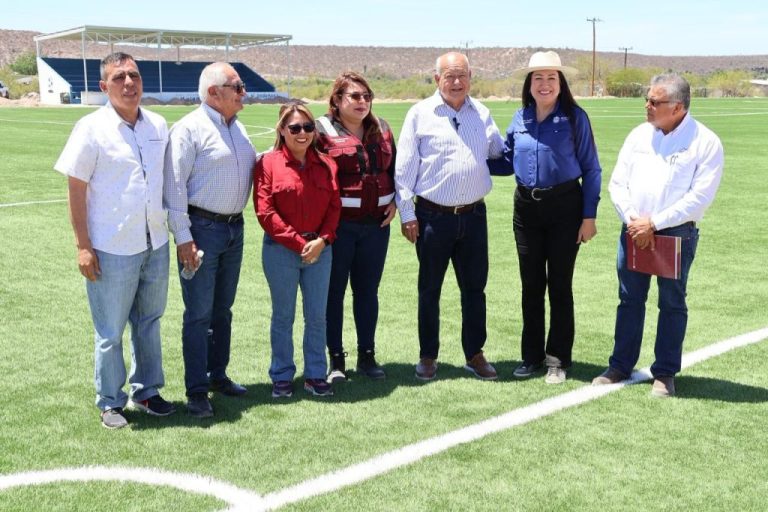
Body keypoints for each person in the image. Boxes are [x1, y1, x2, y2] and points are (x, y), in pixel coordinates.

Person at [54, 52, 175, 429]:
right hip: (112, 246)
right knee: (110, 330)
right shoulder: (90, 128)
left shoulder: (157, 123)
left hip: (154, 242)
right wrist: (83, 246)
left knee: (150, 322)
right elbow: (76, 187)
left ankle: (147, 391)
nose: (129, 83)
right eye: (119, 77)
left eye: (134, 75)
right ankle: (110, 400)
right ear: (104, 87)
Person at [592, 73, 724, 397]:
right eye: (647, 99)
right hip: (634, 229)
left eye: (655, 101)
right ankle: (620, 365)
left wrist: (655, 223)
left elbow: (699, 197)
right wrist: (635, 221)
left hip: (675, 233)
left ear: (677, 106)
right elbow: (617, 183)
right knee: (629, 299)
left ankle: (665, 373)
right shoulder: (639, 135)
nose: (647, 106)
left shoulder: (705, 142)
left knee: (672, 302)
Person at [489, 51, 602, 384]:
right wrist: (469, 160)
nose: (544, 84)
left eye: (551, 78)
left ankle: (558, 359)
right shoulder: (520, 117)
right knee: (531, 285)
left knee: (560, 286)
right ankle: (531, 357)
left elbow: (592, 169)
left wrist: (589, 215)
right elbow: (507, 162)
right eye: (538, 78)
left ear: (560, 83)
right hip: (526, 209)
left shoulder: (574, 118)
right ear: (529, 84)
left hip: (565, 207)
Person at [395, 51, 504, 381]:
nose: (457, 82)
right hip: (431, 218)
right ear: (436, 79)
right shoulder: (419, 114)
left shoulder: (482, 113)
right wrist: (406, 213)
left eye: (463, 76)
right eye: (449, 76)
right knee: (429, 290)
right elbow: (404, 169)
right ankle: (428, 355)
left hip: (473, 217)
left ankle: (475, 353)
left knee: (475, 289)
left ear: (471, 77)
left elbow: (498, 152)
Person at [164, 62, 257, 418]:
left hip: (234, 229)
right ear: (213, 93)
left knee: (223, 311)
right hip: (202, 230)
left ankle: (218, 375)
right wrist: (183, 238)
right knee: (199, 314)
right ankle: (197, 390)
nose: (243, 92)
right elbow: (173, 188)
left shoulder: (239, 127)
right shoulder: (189, 129)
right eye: (237, 86)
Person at [255, 101, 341, 398]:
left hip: (321, 250)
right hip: (281, 251)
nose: (302, 133)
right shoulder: (268, 163)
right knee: (283, 316)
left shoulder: (327, 163)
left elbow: (334, 208)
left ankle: (316, 374)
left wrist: (323, 240)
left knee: (317, 316)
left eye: (307, 127)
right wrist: (299, 242)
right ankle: (281, 374)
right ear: (282, 130)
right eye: (294, 128)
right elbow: (265, 212)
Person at [315, 72, 397, 382]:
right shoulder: (320, 131)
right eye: (354, 96)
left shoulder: (382, 128)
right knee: (333, 294)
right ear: (337, 100)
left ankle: (367, 355)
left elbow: (395, 169)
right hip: (339, 229)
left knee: (367, 292)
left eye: (367, 96)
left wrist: (397, 201)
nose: (362, 102)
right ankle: (336, 360)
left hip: (376, 226)